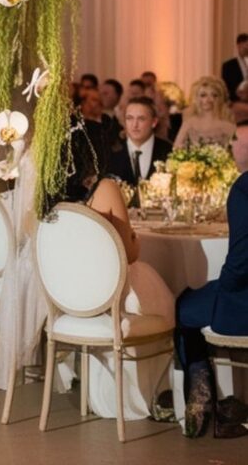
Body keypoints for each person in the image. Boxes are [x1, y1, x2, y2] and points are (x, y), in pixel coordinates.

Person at [59, 124, 175, 420]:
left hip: (68, 294)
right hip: (107, 295)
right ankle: (158, 392)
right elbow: (129, 253)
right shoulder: (105, 188)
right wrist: (134, 238)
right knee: (163, 295)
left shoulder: (51, 193)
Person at [175, 169, 248, 438]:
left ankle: (203, 408)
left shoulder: (245, 188)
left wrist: (224, 287)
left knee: (184, 307)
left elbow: (240, 263)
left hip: (243, 304)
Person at [109, 97, 172, 186]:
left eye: (141, 119)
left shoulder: (168, 151)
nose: (135, 125)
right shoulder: (111, 151)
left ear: (154, 122)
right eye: (130, 118)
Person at [174, 76, 236, 149]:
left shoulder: (227, 125)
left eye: (214, 95)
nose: (209, 99)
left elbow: (238, 151)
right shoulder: (189, 123)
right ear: (196, 98)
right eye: (203, 95)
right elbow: (176, 148)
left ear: (220, 98)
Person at [222, 33, 248, 102]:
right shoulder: (228, 66)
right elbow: (225, 88)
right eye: (244, 46)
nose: (246, 49)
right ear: (238, 46)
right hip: (236, 101)